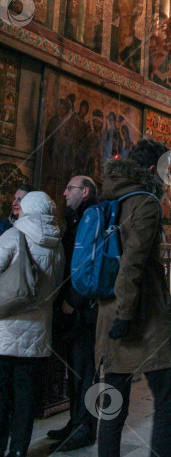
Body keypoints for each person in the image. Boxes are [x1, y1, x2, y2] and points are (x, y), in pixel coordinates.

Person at [95, 138, 171, 457]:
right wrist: (125, 313)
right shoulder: (144, 202)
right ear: (150, 169)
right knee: (169, 404)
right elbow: (132, 262)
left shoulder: (110, 197)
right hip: (140, 318)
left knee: (113, 406)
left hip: (110, 313)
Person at [0, 191, 64, 457]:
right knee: (25, 399)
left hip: (6, 330)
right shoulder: (57, 244)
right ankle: (18, 452)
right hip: (38, 332)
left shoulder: (13, 235)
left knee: (2, 399)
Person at [47, 176, 99, 450]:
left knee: (85, 371)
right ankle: (75, 421)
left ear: (85, 191)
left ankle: (86, 428)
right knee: (75, 370)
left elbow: (89, 261)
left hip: (84, 309)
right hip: (71, 308)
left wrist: (74, 299)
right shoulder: (77, 218)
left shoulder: (91, 218)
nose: (65, 193)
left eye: (70, 188)